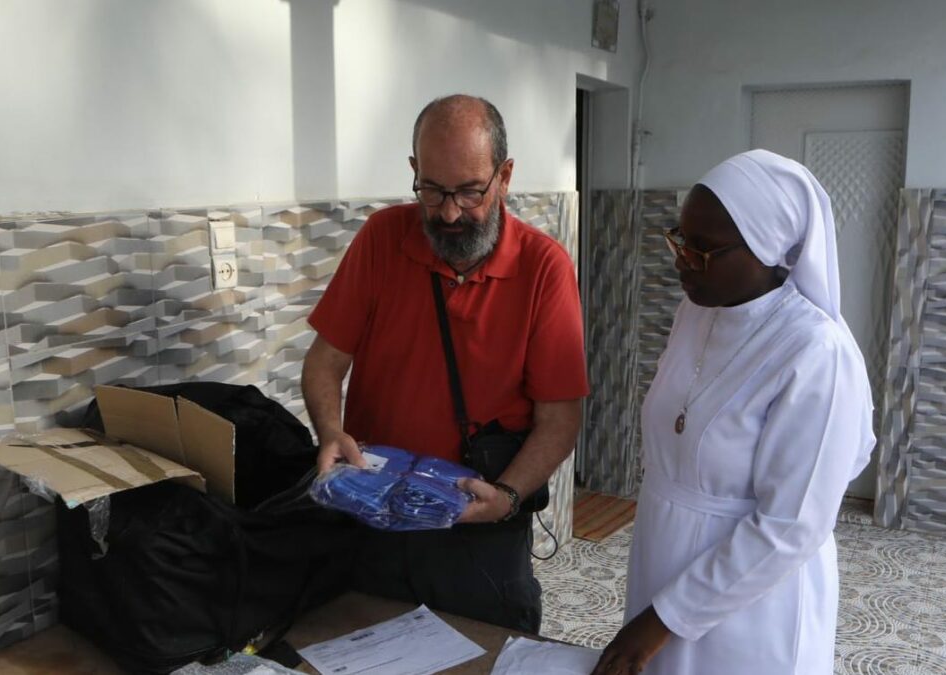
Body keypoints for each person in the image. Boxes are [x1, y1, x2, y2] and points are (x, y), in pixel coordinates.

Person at [301, 94, 588, 633]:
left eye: (469, 192)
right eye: (432, 191)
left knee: (487, 654)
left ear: (505, 176)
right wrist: (331, 431)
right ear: (414, 172)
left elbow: (561, 419)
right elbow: (324, 363)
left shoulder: (544, 267)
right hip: (376, 514)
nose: (450, 212)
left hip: (479, 527)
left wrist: (505, 498)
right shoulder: (382, 238)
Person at [593, 149, 875, 674]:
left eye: (705, 250)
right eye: (680, 240)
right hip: (662, 559)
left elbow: (791, 524)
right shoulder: (695, 312)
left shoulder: (815, 352)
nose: (682, 260)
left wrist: (663, 620)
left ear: (768, 249)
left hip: (753, 600)